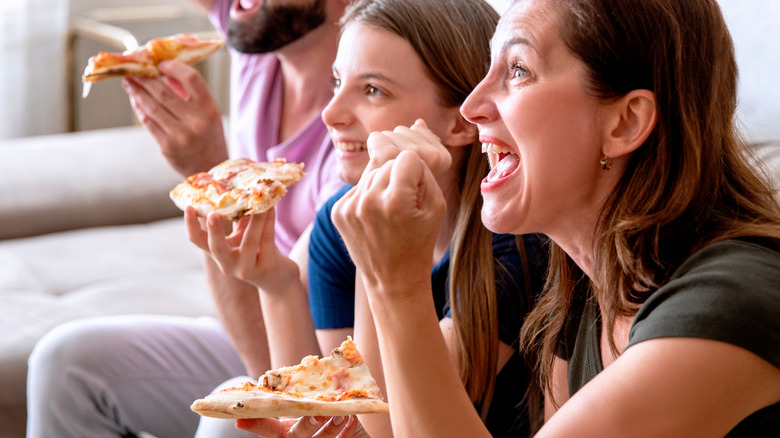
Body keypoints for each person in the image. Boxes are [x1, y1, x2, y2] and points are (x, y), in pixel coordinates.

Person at [330, 0, 780, 436]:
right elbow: (391, 426)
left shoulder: (727, 303)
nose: (472, 106)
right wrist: (380, 269)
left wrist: (397, 283)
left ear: (624, 123)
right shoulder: (587, 290)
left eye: (518, 70)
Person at [189, 0, 546, 436]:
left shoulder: (519, 245)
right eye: (337, 82)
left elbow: (384, 426)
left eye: (373, 90)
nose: (331, 113)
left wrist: (376, 253)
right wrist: (277, 284)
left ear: (460, 122)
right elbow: (325, 411)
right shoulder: (337, 222)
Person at [26, 1, 349, 437]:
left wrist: (210, 173)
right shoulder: (261, 31)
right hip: (244, 324)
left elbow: (284, 376)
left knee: (231, 424)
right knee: (64, 361)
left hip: (310, 352)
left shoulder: (355, 141)